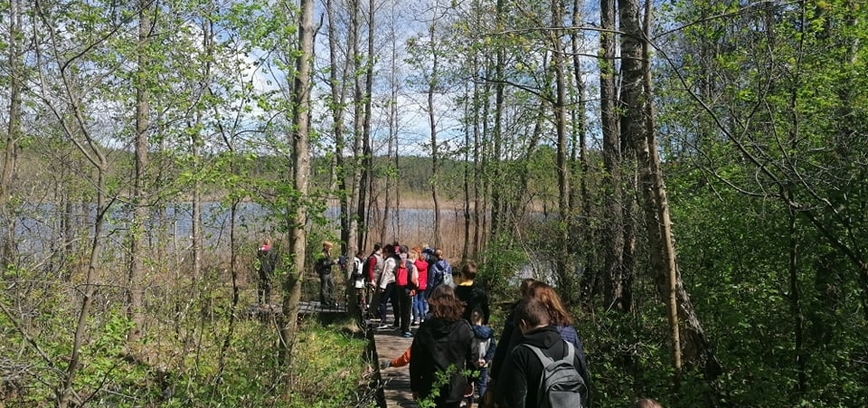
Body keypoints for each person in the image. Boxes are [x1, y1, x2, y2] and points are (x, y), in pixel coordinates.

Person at [492, 281, 592, 407]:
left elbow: (506, 361)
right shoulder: (569, 335)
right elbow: (585, 388)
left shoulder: (522, 346)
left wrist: (497, 391)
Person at [410, 285, 478, 408]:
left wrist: (415, 386)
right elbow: (473, 357)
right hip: (455, 387)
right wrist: (471, 380)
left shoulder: (425, 329)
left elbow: (416, 361)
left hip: (430, 385)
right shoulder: (464, 327)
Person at [470, 308, 496, 402]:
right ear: (482, 318)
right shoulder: (489, 332)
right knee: (482, 385)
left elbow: (468, 348)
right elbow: (493, 347)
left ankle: (470, 404)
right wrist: (485, 359)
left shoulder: (469, 331)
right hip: (483, 364)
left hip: (471, 363)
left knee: (470, 385)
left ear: (471, 318)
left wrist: (474, 359)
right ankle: (483, 403)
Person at [395, 245, 418, 337]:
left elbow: (395, 274)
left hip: (400, 289)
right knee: (408, 310)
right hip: (409, 289)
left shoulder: (399, 264)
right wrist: (416, 286)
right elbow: (413, 279)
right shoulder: (412, 266)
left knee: (402, 308)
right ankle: (406, 330)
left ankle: (403, 327)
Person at [377, 244, 398, 329]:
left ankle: (383, 321)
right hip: (395, 283)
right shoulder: (397, 259)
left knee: (382, 302)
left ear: (387, 251)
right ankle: (396, 322)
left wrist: (382, 286)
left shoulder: (390, 261)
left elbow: (387, 273)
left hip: (389, 283)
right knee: (395, 303)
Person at [315, 241, 339, 307]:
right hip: (324, 273)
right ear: (325, 247)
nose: (331, 248)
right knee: (324, 287)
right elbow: (324, 264)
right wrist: (332, 262)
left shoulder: (328, 253)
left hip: (328, 272)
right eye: (330, 247)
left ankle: (331, 300)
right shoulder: (322, 254)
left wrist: (335, 261)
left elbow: (328, 261)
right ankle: (324, 301)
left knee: (332, 286)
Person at [256, 238, 278, 304]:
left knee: (261, 284)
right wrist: (273, 270)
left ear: (263, 242)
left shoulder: (260, 250)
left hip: (261, 269)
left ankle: (260, 300)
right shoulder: (272, 250)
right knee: (268, 285)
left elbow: (257, 259)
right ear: (269, 243)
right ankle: (267, 301)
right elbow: (273, 261)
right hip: (269, 270)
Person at [365, 243, 384, 318]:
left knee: (377, 297)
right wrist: (372, 280)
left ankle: (374, 311)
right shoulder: (373, 258)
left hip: (379, 280)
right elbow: (370, 269)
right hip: (374, 279)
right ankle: (370, 312)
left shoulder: (380, 257)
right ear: (380, 249)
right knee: (371, 297)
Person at [411, 246, 429, 326]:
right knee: (421, 301)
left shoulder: (415, 263)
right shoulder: (425, 264)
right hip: (423, 285)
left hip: (416, 284)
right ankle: (422, 318)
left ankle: (415, 319)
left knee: (415, 302)